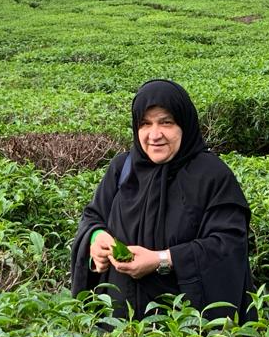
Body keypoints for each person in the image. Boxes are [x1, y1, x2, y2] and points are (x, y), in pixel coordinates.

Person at [71, 79, 254, 322]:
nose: (154, 135)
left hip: (185, 333)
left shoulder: (213, 176)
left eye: (166, 122)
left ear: (184, 125)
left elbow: (227, 246)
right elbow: (93, 217)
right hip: (117, 328)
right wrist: (96, 239)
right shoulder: (122, 168)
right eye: (145, 124)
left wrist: (161, 259)